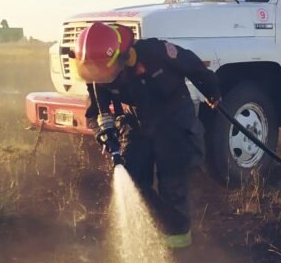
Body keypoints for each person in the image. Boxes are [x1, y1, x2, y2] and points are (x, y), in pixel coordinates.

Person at [72, 22, 221, 248]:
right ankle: (157, 227)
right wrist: (104, 134)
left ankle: (179, 243)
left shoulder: (156, 52)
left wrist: (212, 91)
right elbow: (94, 114)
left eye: (106, 73)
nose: (102, 78)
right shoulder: (99, 73)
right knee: (133, 179)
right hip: (137, 121)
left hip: (174, 116)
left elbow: (193, 65)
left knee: (172, 182)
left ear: (122, 57)